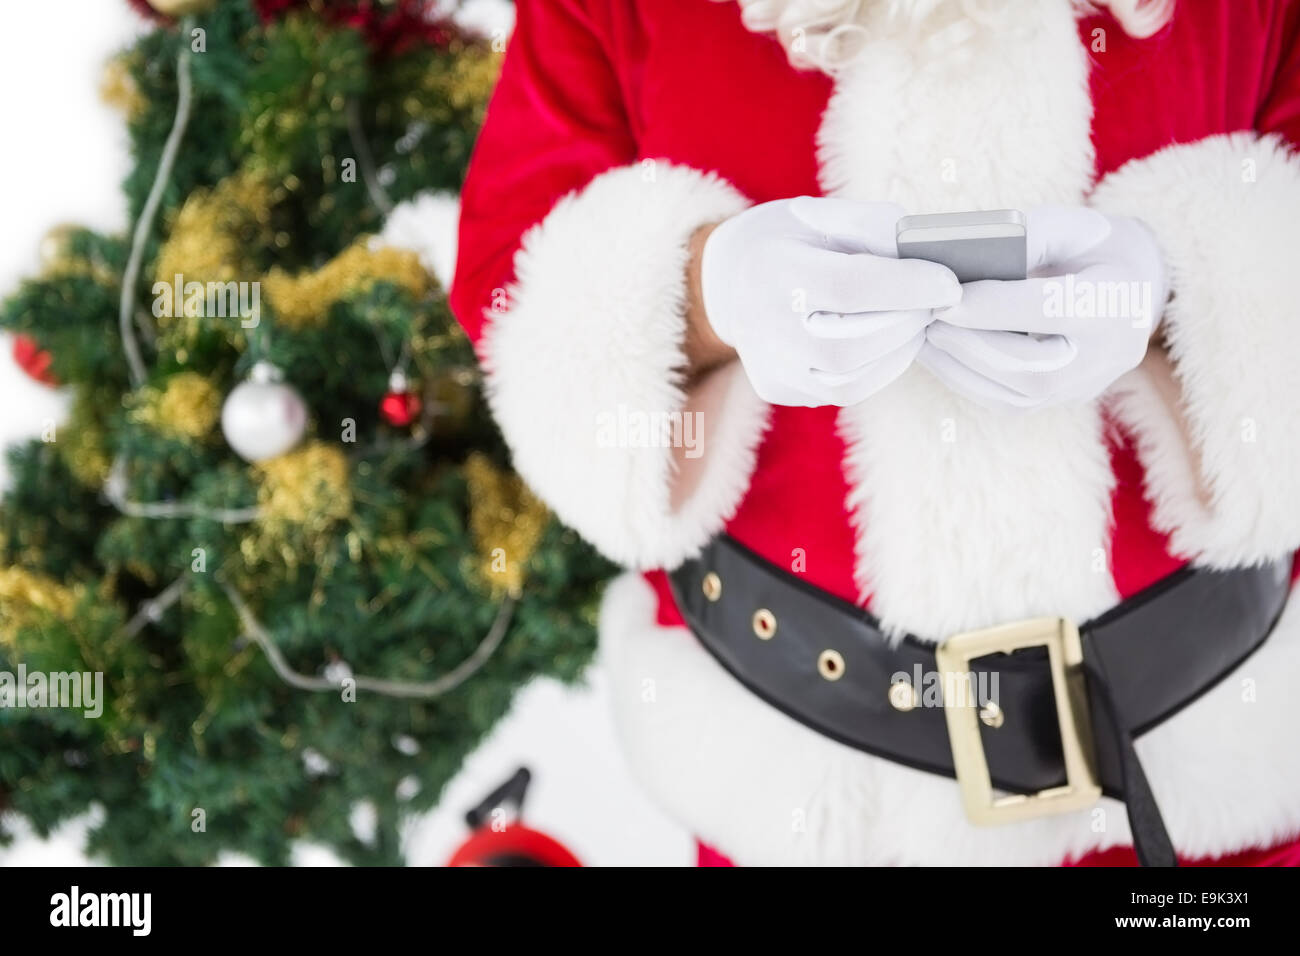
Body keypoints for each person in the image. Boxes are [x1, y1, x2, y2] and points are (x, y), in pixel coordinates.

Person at [451, 0, 1300, 866]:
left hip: (1208, 776)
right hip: (801, 796)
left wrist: (1187, 298)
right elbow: (512, 277)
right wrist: (702, 300)